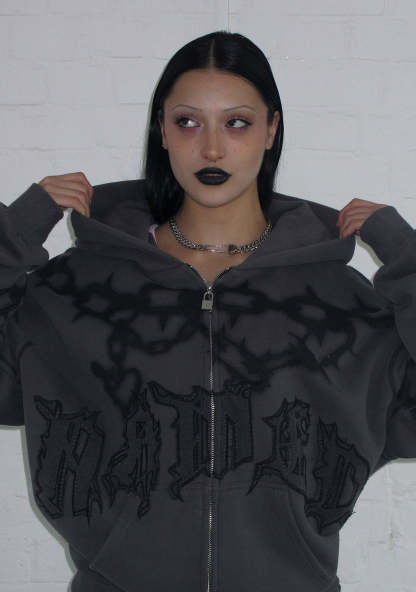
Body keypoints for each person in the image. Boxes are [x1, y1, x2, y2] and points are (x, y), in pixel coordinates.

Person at [1, 29, 415, 592]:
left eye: (237, 123)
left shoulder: (338, 303)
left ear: (272, 130)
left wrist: (404, 252)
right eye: (188, 122)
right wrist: (16, 231)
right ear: (162, 131)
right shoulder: (79, 289)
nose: (212, 149)